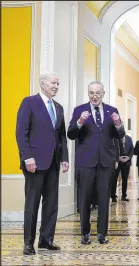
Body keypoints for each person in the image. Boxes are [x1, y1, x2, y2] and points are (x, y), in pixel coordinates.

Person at [16, 73, 69, 255]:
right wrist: (27, 158)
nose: (56, 86)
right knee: (32, 203)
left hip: (53, 162)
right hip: (34, 163)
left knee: (51, 203)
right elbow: (21, 132)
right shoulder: (29, 102)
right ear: (43, 84)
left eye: (58, 83)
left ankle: (46, 240)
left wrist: (65, 158)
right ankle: (28, 243)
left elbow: (61, 136)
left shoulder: (59, 108)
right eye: (53, 83)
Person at [67, 81, 125, 245]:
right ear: (88, 93)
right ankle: (85, 233)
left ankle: (102, 233)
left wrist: (118, 124)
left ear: (103, 94)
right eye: (91, 92)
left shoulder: (112, 111)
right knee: (84, 199)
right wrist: (79, 122)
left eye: (98, 92)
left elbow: (119, 134)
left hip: (105, 162)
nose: (94, 95)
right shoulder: (80, 110)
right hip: (85, 162)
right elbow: (70, 134)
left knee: (104, 199)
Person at [111, 134, 134, 202]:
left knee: (125, 180)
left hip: (126, 162)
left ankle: (124, 196)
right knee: (114, 179)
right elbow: (112, 149)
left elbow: (132, 149)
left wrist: (128, 158)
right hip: (117, 162)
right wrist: (118, 158)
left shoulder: (129, 138)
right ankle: (113, 196)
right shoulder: (114, 137)